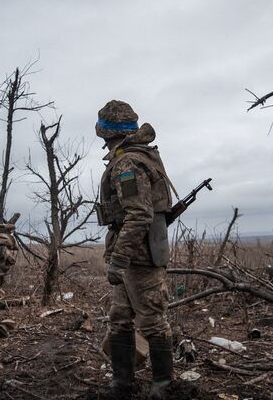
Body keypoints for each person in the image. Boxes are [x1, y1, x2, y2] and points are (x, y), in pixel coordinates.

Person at [95, 100, 175, 398]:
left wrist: (119, 259)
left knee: (153, 321)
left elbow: (139, 214)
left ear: (106, 131)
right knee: (119, 317)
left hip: (138, 257)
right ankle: (122, 383)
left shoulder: (127, 162)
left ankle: (163, 387)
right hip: (133, 253)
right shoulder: (135, 157)